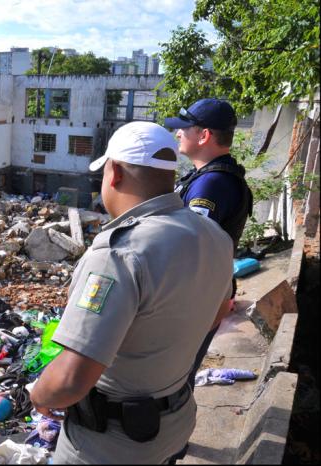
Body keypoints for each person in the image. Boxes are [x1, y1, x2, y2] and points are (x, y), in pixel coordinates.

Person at [30, 122, 234, 464]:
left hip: (110, 444)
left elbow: (70, 379)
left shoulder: (118, 254)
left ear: (116, 174)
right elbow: (218, 310)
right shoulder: (213, 235)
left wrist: (39, 394)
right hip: (174, 422)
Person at [165, 98, 253, 389]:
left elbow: (192, 248)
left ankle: (172, 432)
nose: (178, 134)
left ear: (203, 136)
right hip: (207, 291)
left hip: (196, 296)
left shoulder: (211, 185)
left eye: (184, 129)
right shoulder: (211, 176)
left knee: (173, 376)